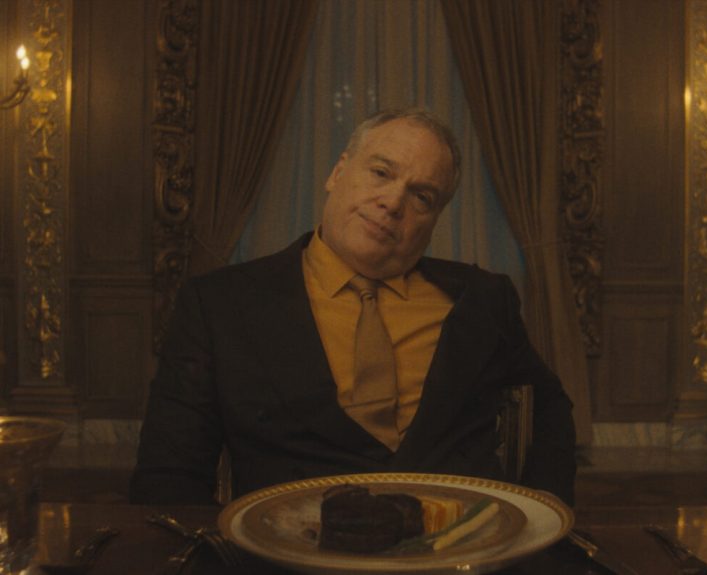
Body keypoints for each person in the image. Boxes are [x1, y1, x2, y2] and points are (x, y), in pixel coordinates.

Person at [130, 108, 577, 507]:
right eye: (381, 172)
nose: (393, 202)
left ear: (435, 219)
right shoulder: (220, 305)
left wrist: (541, 512)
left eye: (422, 197)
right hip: (291, 553)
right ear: (337, 172)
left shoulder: (482, 300)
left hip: (459, 550)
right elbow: (169, 476)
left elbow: (549, 407)